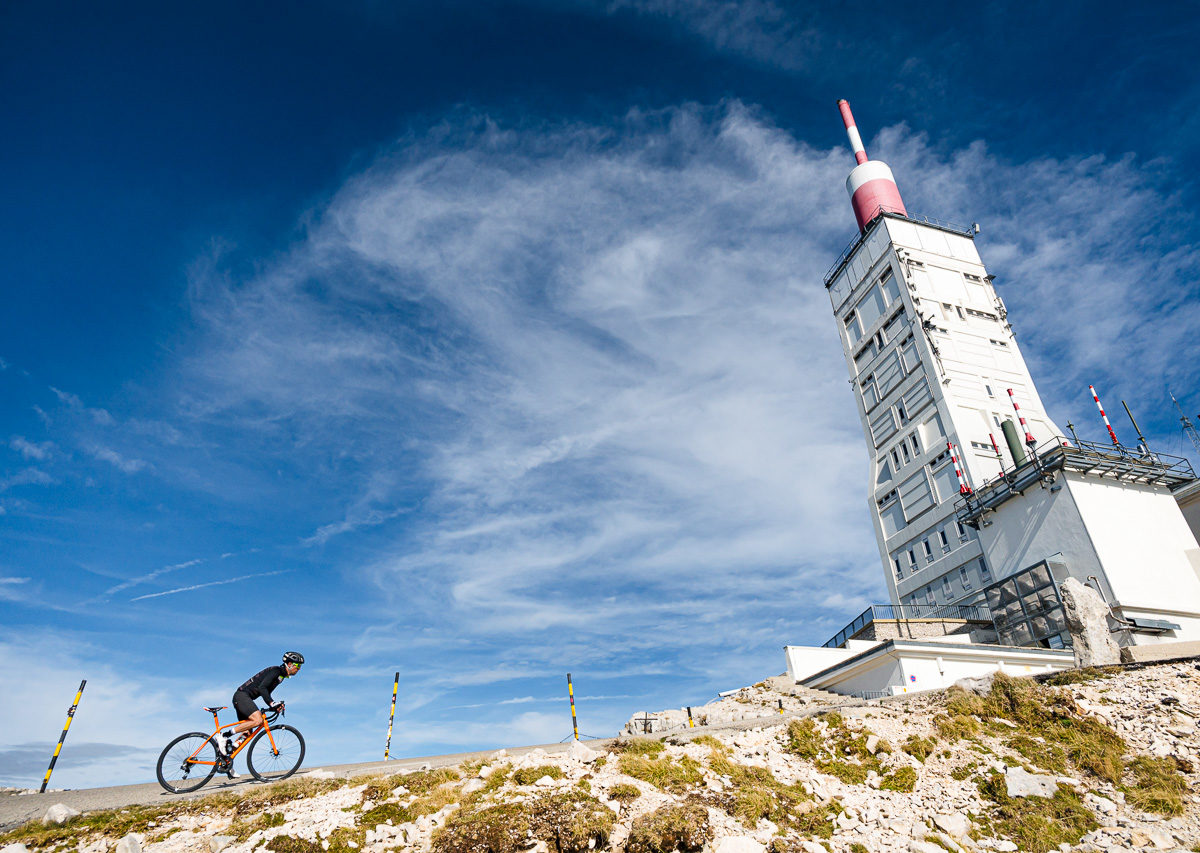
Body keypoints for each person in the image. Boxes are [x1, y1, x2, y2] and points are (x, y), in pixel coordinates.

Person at [222, 651, 304, 777]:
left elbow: (265, 693)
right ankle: (224, 735)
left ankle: (225, 760)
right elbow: (262, 688)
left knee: (247, 733)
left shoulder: (280, 677)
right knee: (258, 720)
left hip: (245, 698)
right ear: (289, 664)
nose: (298, 669)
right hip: (242, 696)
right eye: (297, 666)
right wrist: (272, 703)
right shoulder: (277, 671)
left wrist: (273, 705)